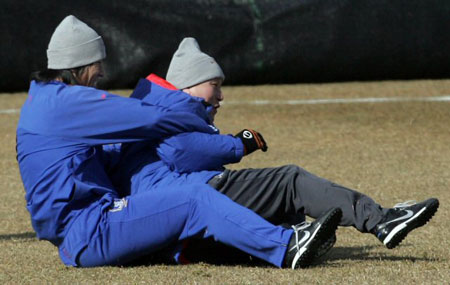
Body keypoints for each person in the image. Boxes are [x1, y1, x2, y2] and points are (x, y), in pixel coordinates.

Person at [16, 15, 343, 269]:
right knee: (193, 198)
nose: (101, 74)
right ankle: (287, 247)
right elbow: (150, 118)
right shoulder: (67, 104)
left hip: (83, 233)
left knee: (185, 224)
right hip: (91, 230)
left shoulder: (43, 102)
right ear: (78, 65)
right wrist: (196, 119)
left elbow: (106, 154)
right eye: (98, 66)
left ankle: (279, 233)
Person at [113, 37, 439, 263]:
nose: (221, 96)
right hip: (186, 198)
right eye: (216, 85)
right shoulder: (170, 108)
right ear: (190, 85)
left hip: (175, 208)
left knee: (289, 210)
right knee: (289, 182)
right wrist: (237, 142)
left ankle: (291, 235)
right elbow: (181, 151)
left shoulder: (158, 105)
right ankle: (381, 219)